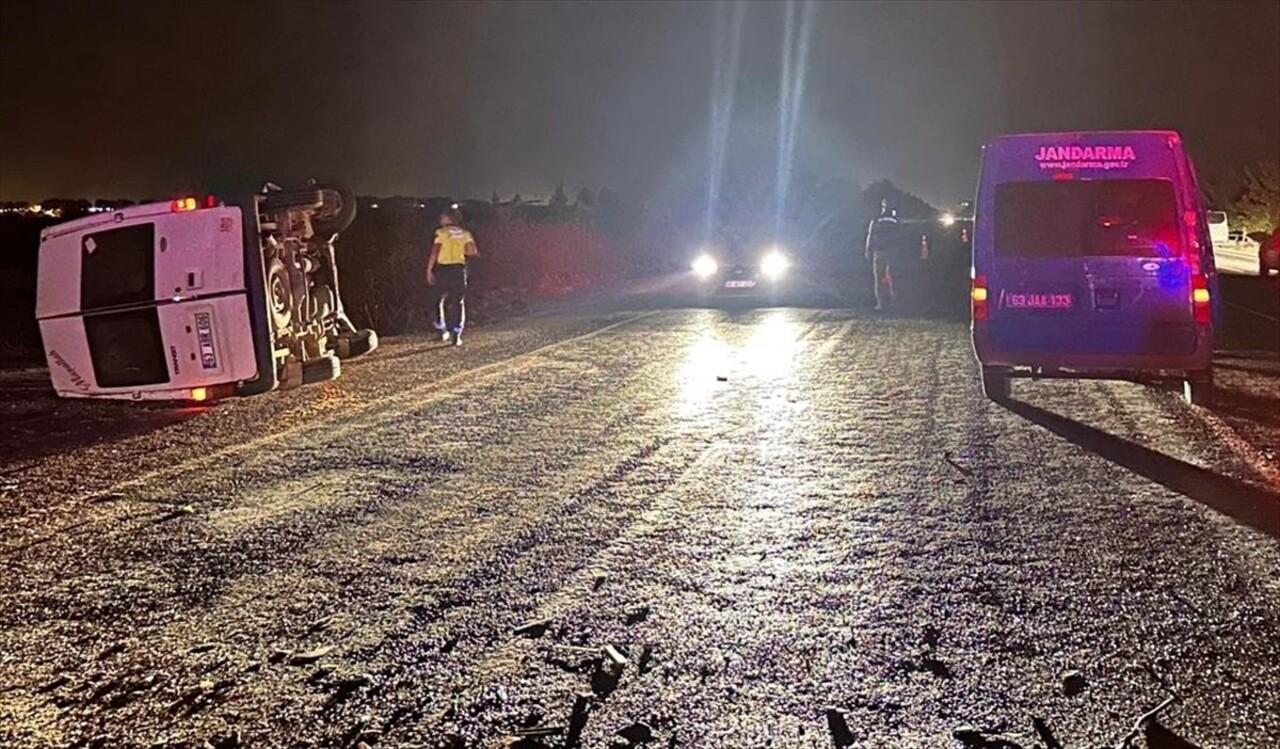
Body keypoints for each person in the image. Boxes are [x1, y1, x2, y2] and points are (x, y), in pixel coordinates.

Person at [426, 204, 479, 346]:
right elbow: (472, 251)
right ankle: (457, 335)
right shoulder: (465, 233)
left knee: (438, 300)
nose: (440, 219)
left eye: (442, 217)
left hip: (443, 269)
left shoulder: (441, 233)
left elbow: (434, 251)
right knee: (458, 301)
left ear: (448, 218)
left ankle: (442, 330)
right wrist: (457, 248)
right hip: (458, 269)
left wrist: (429, 270)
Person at [864, 198, 901, 311]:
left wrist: (868, 250)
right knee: (893, 277)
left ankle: (880, 303)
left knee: (878, 278)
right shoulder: (896, 220)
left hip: (879, 252)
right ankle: (894, 302)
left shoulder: (876, 219)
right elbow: (900, 236)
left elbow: (870, 235)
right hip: (892, 251)